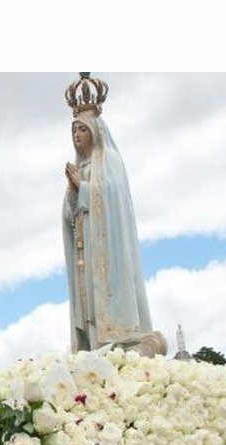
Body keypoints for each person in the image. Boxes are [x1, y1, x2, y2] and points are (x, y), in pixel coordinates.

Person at [62, 73, 163, 356]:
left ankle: (118, 343)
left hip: (107, 250)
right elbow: (70, 215)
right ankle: (93, 345)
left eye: (81, 129)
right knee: (87, 306)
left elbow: (112, 200)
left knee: (102, 298)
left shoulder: (110, 161)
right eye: (73, 131)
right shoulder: (81, 168)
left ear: (95, 130)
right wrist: (73, 193)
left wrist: (81, 187)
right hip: (84, 248)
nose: (77, 135)